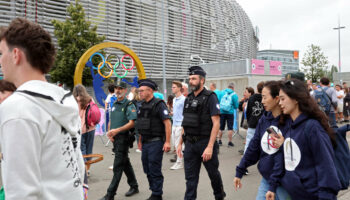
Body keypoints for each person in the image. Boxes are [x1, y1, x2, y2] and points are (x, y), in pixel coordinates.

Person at [0, 18, 84, 199]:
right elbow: (77, 165)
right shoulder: (65, 99)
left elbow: (21, 193)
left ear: (15, 55)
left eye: (1, 53)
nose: (0, 60)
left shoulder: (18, 109)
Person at [268, 79, 341, 200]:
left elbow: (326, 167)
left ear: (296, 99)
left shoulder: (312, 128)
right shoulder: (290, 125)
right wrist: (273, 186)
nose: (279, 103)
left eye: (282, 99)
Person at [234, 81, 290, 200]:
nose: (262, 101)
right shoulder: (264, 119)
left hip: (286, 182)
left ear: (276, 99)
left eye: (265, 97)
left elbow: (281, 157)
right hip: (267, 179)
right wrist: (240, 170)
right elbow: (254, 147)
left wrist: (274, 184)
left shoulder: (290, 121)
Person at [177, 66, 226, 200]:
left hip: (205, 142)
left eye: (194, 79)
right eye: (190, 79)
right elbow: (185, 123)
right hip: (190, 144)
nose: (191, 81)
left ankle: (219, 195)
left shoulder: (210, 97)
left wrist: (210, 146)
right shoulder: (188, 98)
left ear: (202, 80)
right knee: (190, 179)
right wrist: (180, 143)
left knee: (213, 174)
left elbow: (216, 123)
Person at [99, 82, 139, 200]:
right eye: (116, 88)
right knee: (125, 162)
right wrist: (110, 132)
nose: (118, 90)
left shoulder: (128, 104)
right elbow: (112, 119)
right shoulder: (115, 103)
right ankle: (134, 185)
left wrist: (117, 131)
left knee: (118, 166)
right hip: (115, 138)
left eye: (121, 89)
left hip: (123, 138)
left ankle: (110, 194)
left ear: (125, 90)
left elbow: (132, 122)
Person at [136, 79, 171, 200]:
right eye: (139, 90)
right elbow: (142, 124)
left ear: (150, 91)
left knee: (154, 168)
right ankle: (153, 189)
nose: (139, 92)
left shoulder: (159, 104)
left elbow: (167, 123)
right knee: (147, 168)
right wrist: (140, 140)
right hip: (145, 142)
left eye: (141, 91)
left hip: (156, 142)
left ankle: (157, 194)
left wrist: (167, 141)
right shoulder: (143, 105)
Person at [73, 85, 96, 163]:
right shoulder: (90, 99)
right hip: (91, 127)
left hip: (79, 129)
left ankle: (84, 170)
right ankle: (88, 169)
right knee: (89, 149)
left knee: (82, 149)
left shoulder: (74, 101)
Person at [244, 82, 265, 153]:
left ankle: (246, 155)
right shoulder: (265, 98)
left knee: (249, 140)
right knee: (262, 141)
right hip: (262, 123)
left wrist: (249, 120)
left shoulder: (251, 98)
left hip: (252, 122)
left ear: (257, 88)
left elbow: (248, 111)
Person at [170, 81, 186, 170]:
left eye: (174, 87)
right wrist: (172, 113)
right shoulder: (174, 99)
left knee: (178, 145)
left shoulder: (184, 99)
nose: (172, 88)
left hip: (180, 124)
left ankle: (179, 163)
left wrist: (184, 124)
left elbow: (185, 113)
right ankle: (179, 161)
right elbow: (177, 111)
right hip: (174, 124)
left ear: (179, 88)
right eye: (172, 87)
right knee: (175, 145)